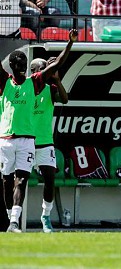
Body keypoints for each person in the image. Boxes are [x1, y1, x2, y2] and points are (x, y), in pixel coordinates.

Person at [0, 29, 76, 233]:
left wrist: (70, 43)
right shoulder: (8, 84)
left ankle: (39, 217)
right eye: (42, 68)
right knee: (8, 181)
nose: (45, 70)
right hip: (9, 140)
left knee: (29, 179)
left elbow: (58, 70)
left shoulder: (40, 85)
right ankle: (11, 220)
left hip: (34, 141)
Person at [28, 57, 67, 234]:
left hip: (45, 143)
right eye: (44, 68)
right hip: (25, 141)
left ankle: (46, 216)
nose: (48, 71)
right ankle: (13, 217)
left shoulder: (50, 89)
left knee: (50, 179)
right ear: (34, 71)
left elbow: (64, 100)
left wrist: (57, 80)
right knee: (16, 180)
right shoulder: (25, 87)